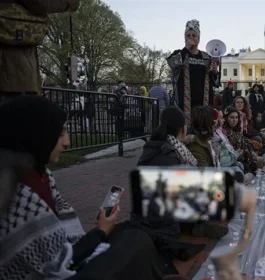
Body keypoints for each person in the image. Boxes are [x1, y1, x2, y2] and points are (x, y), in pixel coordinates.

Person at [0, 96, 170, 280]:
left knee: (135, 230)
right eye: (60, 133)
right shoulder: (15, 192)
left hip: (68, 260)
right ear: (35, 134)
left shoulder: (42, 176)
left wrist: (101, 229)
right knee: (135, 243)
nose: (67, 143)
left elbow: (65, 247)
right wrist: (100, 232)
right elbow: (58, 264)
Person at [166, 19, 219, 122]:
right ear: (184, 38)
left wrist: (215, 72)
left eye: (194, 35)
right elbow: (172, 64)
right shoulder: (180, 53)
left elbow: (215, 82)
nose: (191, 38)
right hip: (183, 103)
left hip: (204, 102)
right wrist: (186, 48)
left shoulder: (206, 56)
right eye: (188, 35)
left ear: (199, 39)